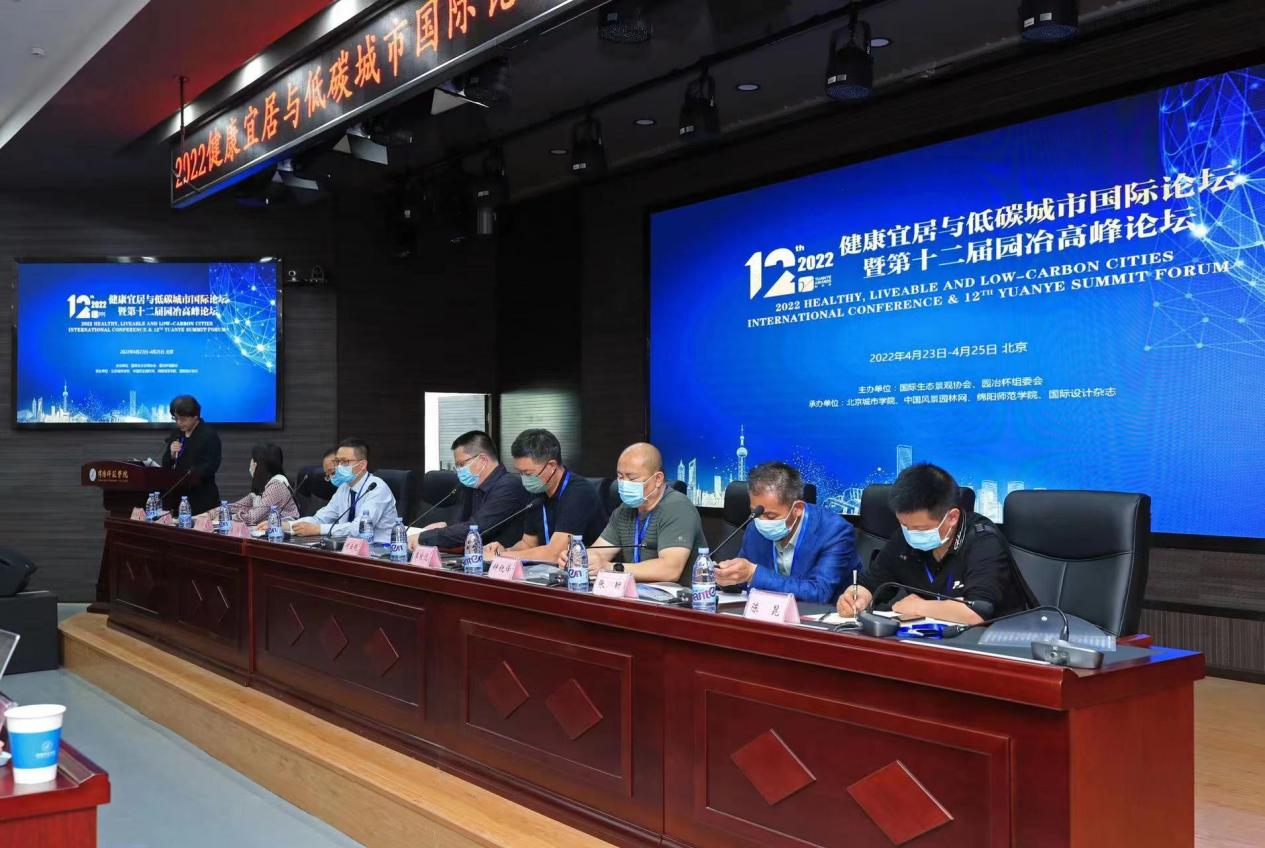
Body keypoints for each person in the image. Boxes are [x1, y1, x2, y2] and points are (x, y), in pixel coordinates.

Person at [836, 463, 1032, 624]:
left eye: (920, 529)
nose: (911, 534)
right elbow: (870, 583)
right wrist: (855, 598)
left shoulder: (983, 540)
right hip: (931, 641)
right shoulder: (904, 538)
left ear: (952, 517)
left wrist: (918, 606)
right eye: (904, 525)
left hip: (995, 643)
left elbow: (976, 612)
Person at [715, 461, 859, 604]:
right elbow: (743, 580)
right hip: (768, 612)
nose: (762, 521)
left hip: (824, 615)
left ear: (797, 509)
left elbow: (819, 593)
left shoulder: (835, 531)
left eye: (771, 516)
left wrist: (753, 574)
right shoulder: (754, 528)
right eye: (756, 513)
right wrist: (724, 576)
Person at [574, 442, 707, 585]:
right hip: (636, 593)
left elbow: (670, 570)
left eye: (632, 479)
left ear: (658, 479)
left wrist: (612, 568)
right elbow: (599, 552)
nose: (624, 484)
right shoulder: (624, 510)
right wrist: (578, 557)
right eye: (620, 477)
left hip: (680, 596)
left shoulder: (678, 507)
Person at [483, 429, 605, 562]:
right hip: (546, 570)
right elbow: (528, 544)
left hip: (582, 570)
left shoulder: (579, 492)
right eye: (520, 473)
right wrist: (504, 550)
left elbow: (554, 554)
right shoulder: (538, 490)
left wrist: (500, 557)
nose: (524, 479)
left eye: (528, 474)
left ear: (551, 466)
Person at [409, 431, 531, 551]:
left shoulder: (509, 486)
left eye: (461, 464)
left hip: (502, 559)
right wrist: (445, 526)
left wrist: (424, 537)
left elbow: (474, 529)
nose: (458, 470)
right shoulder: (472, 485)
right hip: (470, 555)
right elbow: (461, 524)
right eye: (457, 466)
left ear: (482, 460)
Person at [267, 438, 398, 543]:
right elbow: (320, 519)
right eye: (338, 462)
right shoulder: (344, 488)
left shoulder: (377, 488)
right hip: (348, 548)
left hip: (380, 551)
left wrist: (318, 529)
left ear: (362, 465)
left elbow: (359, 528)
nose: (339, 467)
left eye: (345, 462)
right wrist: (286, 525)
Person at [161, 395, 221, 514]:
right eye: (176, 418)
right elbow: (166, 464)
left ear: (195, 416)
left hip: (202, 498)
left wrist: (188, 476)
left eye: (182, 419)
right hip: (178, 497)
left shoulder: (209, 435)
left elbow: (211, 466)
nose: (179, 423)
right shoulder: (176, 433)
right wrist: (171, 454)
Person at [216, 443, 300, 526]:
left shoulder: (276, 486)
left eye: (252, 459)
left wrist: (226, 517)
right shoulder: (263, 485)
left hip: (283, 532)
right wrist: (212, 513)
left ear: (256, 465)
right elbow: (238, 506)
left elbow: (252, 518)